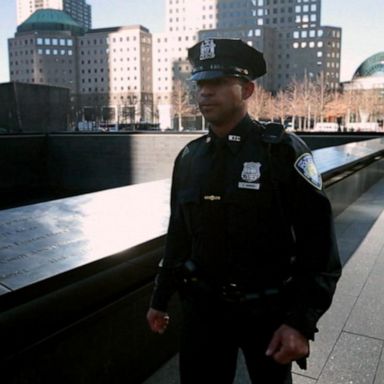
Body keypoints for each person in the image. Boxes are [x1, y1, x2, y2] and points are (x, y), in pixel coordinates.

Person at [147, 38, 341, 384]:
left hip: (266, 314)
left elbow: (319, 246)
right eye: (200, 84)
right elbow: (179, 234)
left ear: (247, 89)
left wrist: (300, 322)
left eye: (218, 83)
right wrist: (160, 298)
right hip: (203, 312)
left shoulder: (280, 152)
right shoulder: (190, 158)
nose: (205, 93)